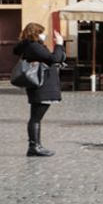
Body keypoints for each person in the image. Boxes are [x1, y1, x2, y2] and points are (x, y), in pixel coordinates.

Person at [13, 22, 65, 157]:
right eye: (41, 32)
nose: (44, 34)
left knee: (36, 117)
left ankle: (35, 145)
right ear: (35, 33)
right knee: (36, 118)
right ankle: (34, 147)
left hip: (39, 85)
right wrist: (59, 44)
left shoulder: (30, 46)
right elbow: (54, 58)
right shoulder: (34, 46)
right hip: (41, 86)